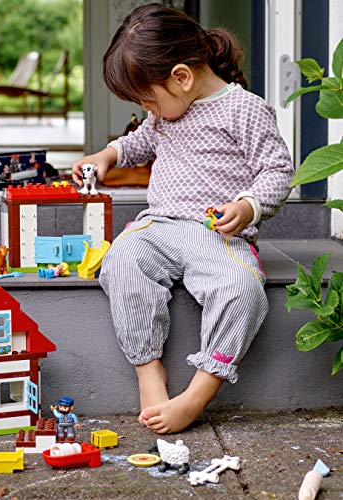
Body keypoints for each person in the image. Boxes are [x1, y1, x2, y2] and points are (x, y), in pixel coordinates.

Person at [72, 4, 294, 434]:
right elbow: (137, 143)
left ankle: (197, 394)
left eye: (147, 99)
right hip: (158, 227)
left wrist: (247, 206)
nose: (146, 109)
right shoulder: (165, 114)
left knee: (243, 290)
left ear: (181, 77)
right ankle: (148, 371)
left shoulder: (245, 110)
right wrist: (106, 155)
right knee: (121, 260)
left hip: (217, 237)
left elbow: (277, 171)